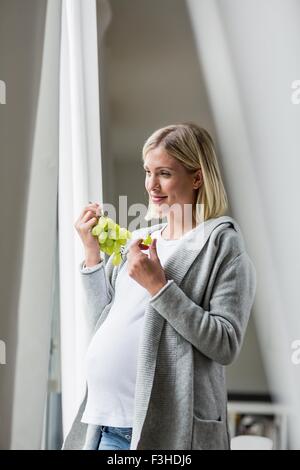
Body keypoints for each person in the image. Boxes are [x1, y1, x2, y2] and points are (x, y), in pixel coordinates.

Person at [62, 122, 256, 450]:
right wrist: (92, 256)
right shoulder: (140, 240)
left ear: (197, 177)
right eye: (147, 171)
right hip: (103, 426)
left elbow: (225, 343)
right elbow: (102, 323)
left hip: (161, 435)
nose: (152, 185)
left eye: (164, 173)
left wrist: (159, 287)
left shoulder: (221, 246)